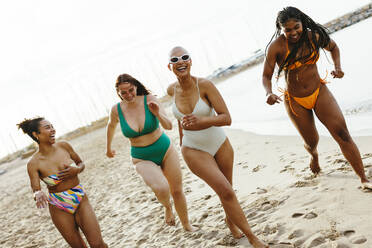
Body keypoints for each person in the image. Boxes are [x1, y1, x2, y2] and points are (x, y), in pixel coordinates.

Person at [167, 46, 268, 248]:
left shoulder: (205, 85)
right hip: (193, 149)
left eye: (185, 57)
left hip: (219, 143)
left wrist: (202, 122)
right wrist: (182, 140)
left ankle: (230, 220)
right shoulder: (171, 90)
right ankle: (253, 238)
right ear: (169, 66)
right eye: (175, 59)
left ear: (190, 61)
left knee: (227, 190)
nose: (181, 62)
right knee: (226, 191)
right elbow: (181, 120)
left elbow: (226, 118)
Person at [262, 6, 372, 190]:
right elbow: (266, 75)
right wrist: (269, 93)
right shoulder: (277, 47)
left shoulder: (314, 36)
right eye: (288, 30)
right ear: (282, 30)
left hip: (319, 92)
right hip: (296, 100)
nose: (293, 33)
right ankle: (314, 155)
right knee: (311, 141)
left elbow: (333, 47)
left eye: (296, 27)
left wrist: (338, 67)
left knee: (342, 134)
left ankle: (363, 179)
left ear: (302, 23)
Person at [106, 73, 195, 231]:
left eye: (131, 90)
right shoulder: (117, 109)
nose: (128, 95)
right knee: (161, 188)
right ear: (118, 93)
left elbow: (168, 126)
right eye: (123, 93)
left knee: (176, 190)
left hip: (165, 149)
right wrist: (108, 148)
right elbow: (111, 125)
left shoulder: (150, 100)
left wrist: (157, 114)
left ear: (136, 86)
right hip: (141, 157)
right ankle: (167, 207)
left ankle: (187, 225)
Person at [17, 117, 107, 248]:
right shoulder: (33, 163)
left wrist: (77, 170)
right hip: (59, 206)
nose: (53, 129)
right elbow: (35, 187)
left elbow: (80, 163)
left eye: (52, 126)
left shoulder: (64, 146)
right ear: (36, 134)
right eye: (47, 127)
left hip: (80, 198)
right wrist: (37, 193)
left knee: (98, 244)